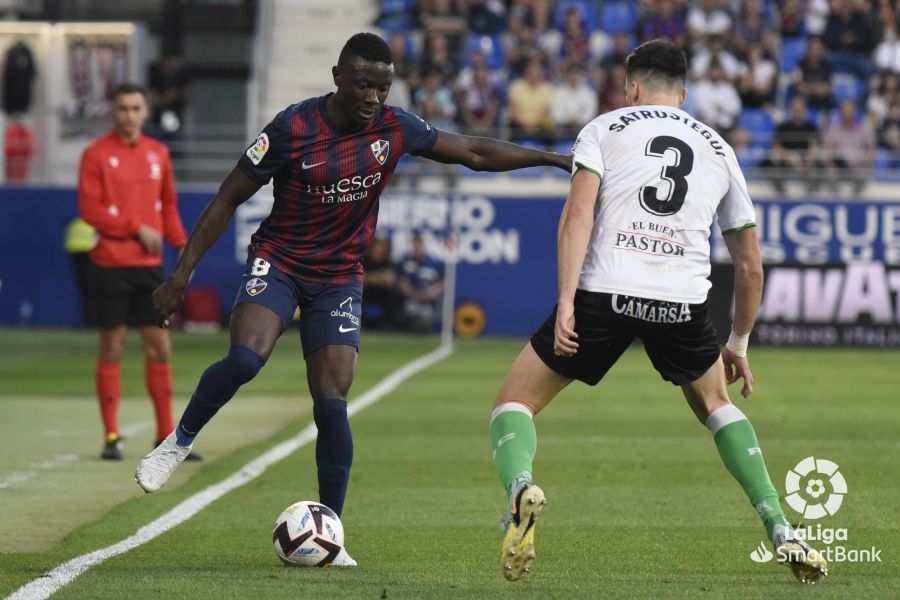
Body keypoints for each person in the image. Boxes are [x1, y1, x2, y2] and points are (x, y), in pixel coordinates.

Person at [135, 33, 571, 566]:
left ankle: (331, 532)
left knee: (332, 404)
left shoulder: (394, 127)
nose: (373, 98)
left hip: (340, 275)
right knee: (246, 359)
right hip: (281, 261)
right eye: (364, 85)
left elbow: (475, 152)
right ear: (339, 77)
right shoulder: (293, 128)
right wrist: (181, 274)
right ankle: (178, 441)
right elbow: (228, 197)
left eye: (382, 88)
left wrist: (553, 158)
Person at [488, 39, 827, 584]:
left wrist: (567, 300)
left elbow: (577, 214)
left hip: (605, 291)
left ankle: (520, 490)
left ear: (633, 88)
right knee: (717, 405)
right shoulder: (719, 148)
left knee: (515, 401)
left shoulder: (604, 128)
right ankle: (780, 526)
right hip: (681, 301)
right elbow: (750, 266)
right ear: (684, 94)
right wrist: (738, 344)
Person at [78, 82, 201, 462]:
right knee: (112, 347)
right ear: (113, 112)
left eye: (135, 108)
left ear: (146, 112)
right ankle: (111, 436)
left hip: (149, 269)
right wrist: (136, 228)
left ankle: (165, 437)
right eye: (122, 108)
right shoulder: (96, 154)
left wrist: (183, 249)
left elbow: (168, 205)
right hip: (110, 266)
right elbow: (90, 209)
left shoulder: (157, 153)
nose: (129, 115)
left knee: (160, 349)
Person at [397, 233, 445, 332]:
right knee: (411, 313)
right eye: (414, 245)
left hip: (429, 300)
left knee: (426, 316)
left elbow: (442, 283)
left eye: (419, 245)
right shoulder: (405, 262)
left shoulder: (434, 263)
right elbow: (402, 283)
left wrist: (429, 294)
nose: (417, 248)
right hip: (411, 299)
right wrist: (415, 294)